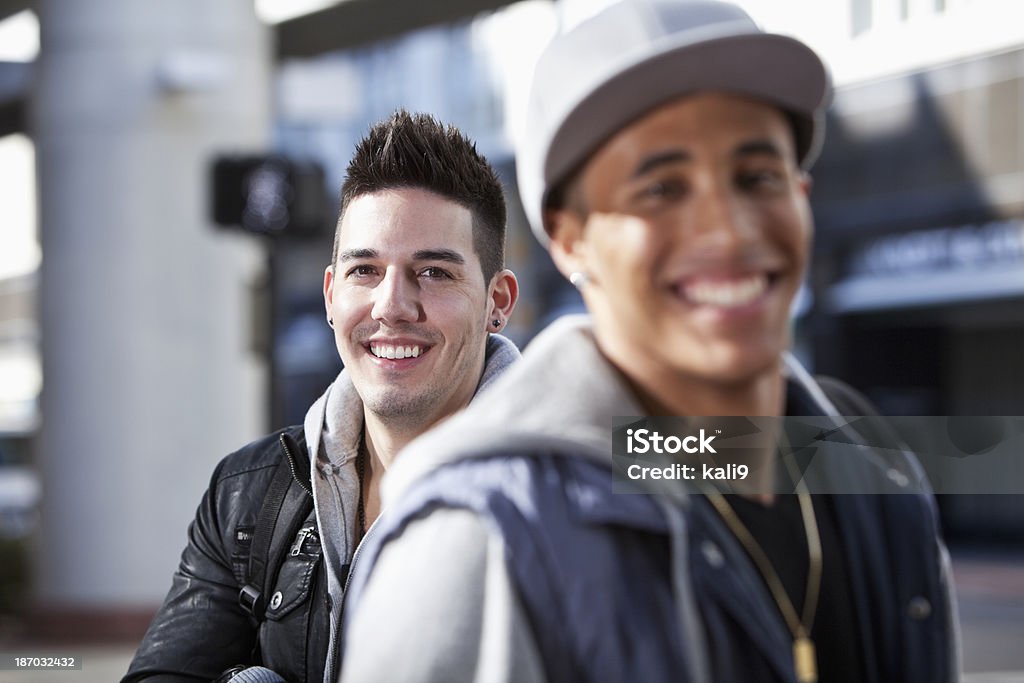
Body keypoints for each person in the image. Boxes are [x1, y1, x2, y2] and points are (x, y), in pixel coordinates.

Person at [339, 2, 960, 682]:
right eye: (661, 188)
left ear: (803, 195)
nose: (726, 230)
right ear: (570, 235)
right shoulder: (472, 542)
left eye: (757, 176)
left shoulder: (881, 488)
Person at [123, 110, 520, 683]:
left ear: (497, 301)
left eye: (433, 272)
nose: (391, 306)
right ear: (332, 294)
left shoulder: (608, 468)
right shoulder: (247, 493)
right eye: (365, 270)